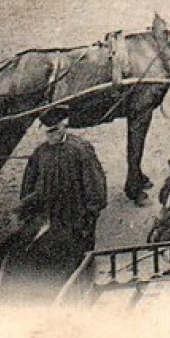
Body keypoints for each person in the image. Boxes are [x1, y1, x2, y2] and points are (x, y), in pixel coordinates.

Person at [13, 106, 107, 281]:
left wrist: (90, 216)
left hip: (75, 219)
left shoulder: (81, 150)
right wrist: (28, 210)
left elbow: (95, 186)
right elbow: (28, 185)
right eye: (48, 132)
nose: (51, 136)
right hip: (50, 219)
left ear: (64, 125)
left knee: (80, 265)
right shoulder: (40, 153)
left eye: (54, 130)